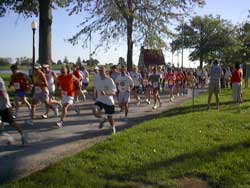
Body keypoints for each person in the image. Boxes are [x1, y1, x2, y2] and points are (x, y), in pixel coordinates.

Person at [0, 76, 27, 145]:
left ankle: (23, 135)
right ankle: (8, 138)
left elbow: (3, 93)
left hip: (3, 106)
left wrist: (7, 104)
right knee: (1, 124)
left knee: (12, 123)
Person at [93, 66, 117, 134]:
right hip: (100, 99)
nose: (100, 72)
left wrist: (106, 94)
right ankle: (102, 119)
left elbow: (114, 92)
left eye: (102, 71)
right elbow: (95, 87)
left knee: (110, 118)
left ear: (105, 71)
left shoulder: (110, 80)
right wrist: (94, 95)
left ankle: (113, 127)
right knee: (94, 110)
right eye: (99, 70)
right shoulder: (98, 79)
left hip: (109, 101)